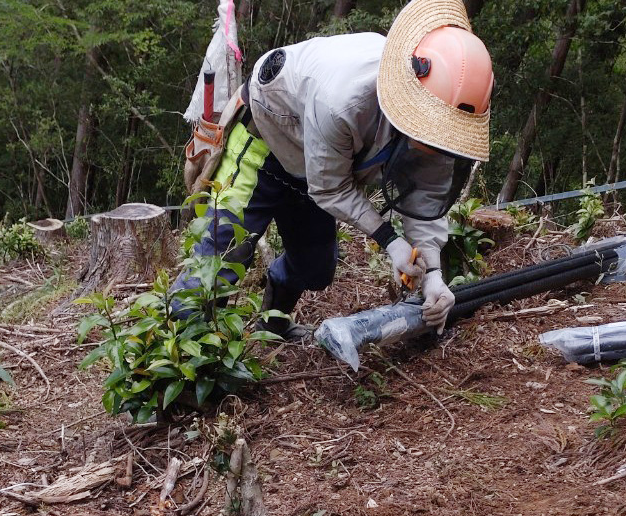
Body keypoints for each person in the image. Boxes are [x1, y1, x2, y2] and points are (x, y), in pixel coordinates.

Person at [176, 0, 494, 338]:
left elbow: (426, 193)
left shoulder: (437, 114)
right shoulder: (343, 100)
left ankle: (274, 321)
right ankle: (185, 355)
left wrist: (432, 273)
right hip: (263, 146)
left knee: (316, 267)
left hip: (322, 170)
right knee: (222, 256)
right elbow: (331, 188)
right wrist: (390, 240)